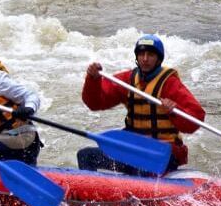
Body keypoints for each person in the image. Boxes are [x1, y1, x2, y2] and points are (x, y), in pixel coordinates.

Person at [79, 34, 204, 175]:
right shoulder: (127, 80)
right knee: (86, 156)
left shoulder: (170, 83)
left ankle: (136, 193)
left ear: (158, 58)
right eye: (141, 54)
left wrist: (174, 110)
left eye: (150, 55)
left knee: (142, 168)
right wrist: (93, 80)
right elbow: (95, 103)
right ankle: (91, 195)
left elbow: (197, 118)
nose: (145, 59)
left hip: (163, 153)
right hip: (134, 149)